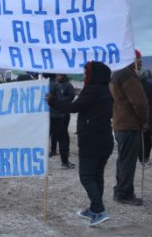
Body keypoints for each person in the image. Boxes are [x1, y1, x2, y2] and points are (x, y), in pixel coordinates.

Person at [46, 61, 114, 226]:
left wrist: (53, 101)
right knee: (97, 175)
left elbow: (73, 107)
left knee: (86, 175)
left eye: (86, 72)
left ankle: (98, 210)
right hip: (105, 139)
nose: (84, 75)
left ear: (95, 74)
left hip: (92, 140)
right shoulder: (106, 90)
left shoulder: (92, 90)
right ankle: (93, 209)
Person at [110, 49, 148, 206]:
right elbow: (139, 102)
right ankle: (124, 194)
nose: (140, 63)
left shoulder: (116, 73)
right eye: (139, 59)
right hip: (129, 123)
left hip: (120, 122)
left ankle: (120, 190)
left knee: (123, 159)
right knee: (128, 161)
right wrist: (144, 120)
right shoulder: (128, 75)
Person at [49, 74, 75, 167]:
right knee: (58, 135)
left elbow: (71, 96)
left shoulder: (66, 85)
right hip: (57, 114)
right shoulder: (55, 85)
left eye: (59, 75)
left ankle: (65, 153)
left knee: (63, 134)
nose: (57, 76)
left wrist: (58, 102)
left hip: (62, 112)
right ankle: (54, 150)